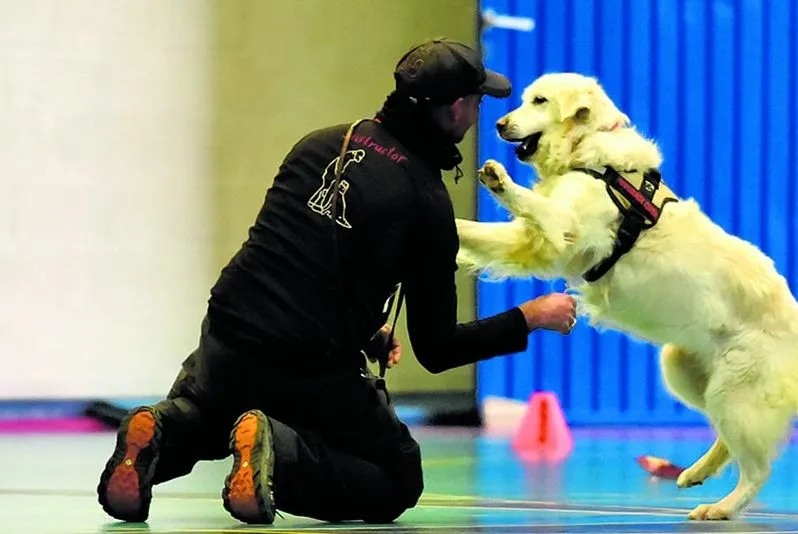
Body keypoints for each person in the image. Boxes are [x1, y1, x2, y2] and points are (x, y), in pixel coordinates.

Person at [95, 38, 577, 526]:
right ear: (454, 108)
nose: (477, 113)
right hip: (305, 362)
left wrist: (368, 327)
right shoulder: (427, 201)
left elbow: (302, 259)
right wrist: (528, 318)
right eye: (476, 101)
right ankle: (278, 454)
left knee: (212, 411)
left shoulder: (321, 141)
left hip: (228, 330)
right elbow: (437, 349)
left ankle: (161, 430)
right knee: (397, 477)